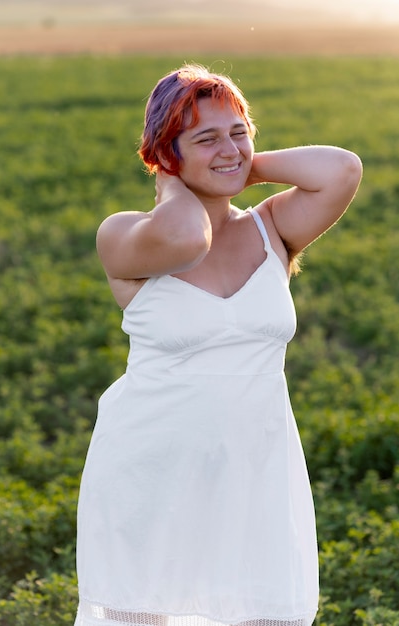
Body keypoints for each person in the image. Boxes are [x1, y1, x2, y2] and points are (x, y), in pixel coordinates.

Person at [74, 64, 362, 626]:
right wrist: (174, 181)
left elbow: (341, 169)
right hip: (152, 473)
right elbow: (186, 237)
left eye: (239, 131)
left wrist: (233, 164)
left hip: (256, 472)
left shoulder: (270, 227)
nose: (229, 147)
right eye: (204, 137)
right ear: (166, 154)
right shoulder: (126, 235)